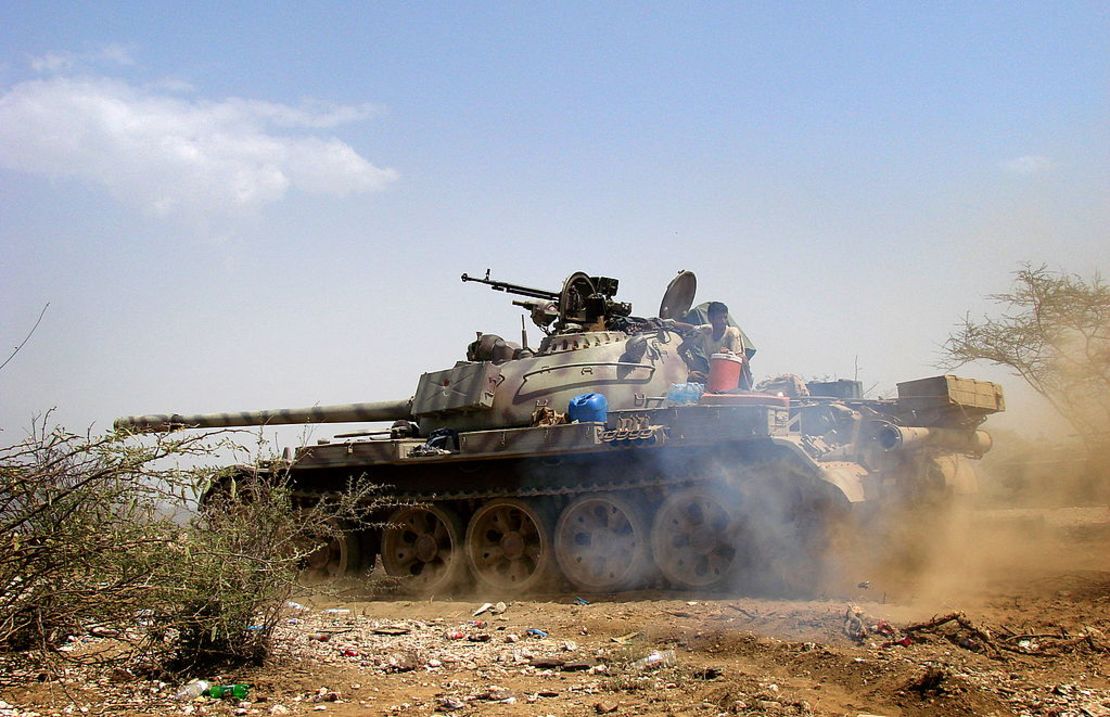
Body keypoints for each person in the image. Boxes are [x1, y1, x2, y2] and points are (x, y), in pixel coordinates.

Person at [674, 301, 749, 386]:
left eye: (725, 317)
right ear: (710, 319)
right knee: (692, 377)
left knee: (741, 358)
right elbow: (692, 329)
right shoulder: (706, 331)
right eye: (719, 318)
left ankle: (745, 390)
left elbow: (736, 360)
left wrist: (728, 355)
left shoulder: (731, 333)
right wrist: (671, 323)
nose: (723, 321)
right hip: (714, 375)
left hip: (733, 376)